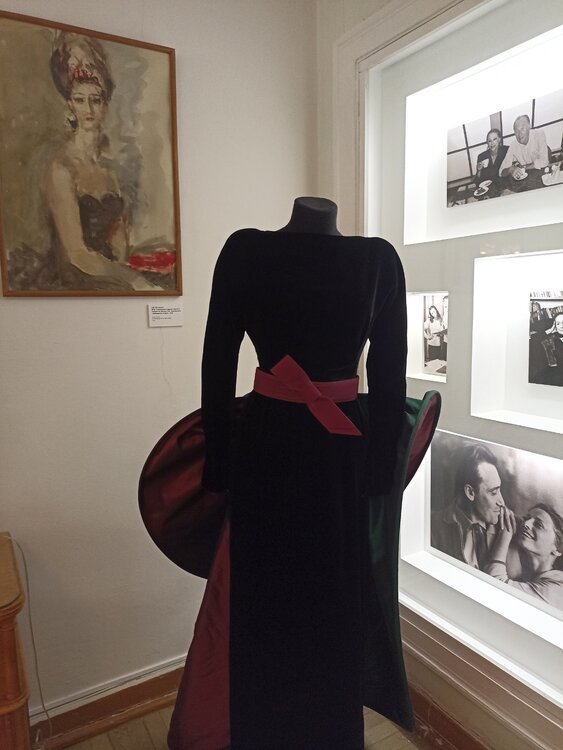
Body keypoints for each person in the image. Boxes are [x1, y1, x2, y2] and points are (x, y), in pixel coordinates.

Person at [168, 197, 410, 749]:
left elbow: (216, 363)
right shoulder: (374, 261)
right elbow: (389, 378)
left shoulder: (247, 252)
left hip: (271, 446)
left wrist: (219, 463)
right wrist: (380, 471)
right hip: (334, 455)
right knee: (313, 600)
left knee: (279, 599)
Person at [431, 443, 506, 569]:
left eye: (499, 490)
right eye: (493, 493)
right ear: (470, 492)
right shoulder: (432, 527)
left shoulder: (508, 526)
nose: (502, 502)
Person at [486, 504, 563, 609]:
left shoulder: (556, 588)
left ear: (558, 549)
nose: (526, 524)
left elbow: (494, 586)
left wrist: (505, 535)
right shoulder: (532, 576)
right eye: (526, 519)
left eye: (539, 525)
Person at [531, 312, 563, 386]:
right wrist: (550, 330)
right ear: (555, 326)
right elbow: (533, 341)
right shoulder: (551, 341)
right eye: (558, 324)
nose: (562, 326)